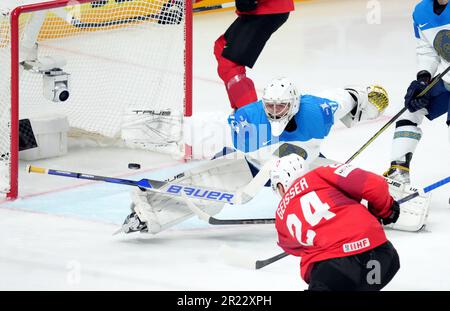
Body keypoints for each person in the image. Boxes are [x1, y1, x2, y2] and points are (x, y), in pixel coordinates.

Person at [271, 154, 400, 291]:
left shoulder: (281, 214)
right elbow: (375, 185)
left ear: (281, 185)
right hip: (383, 260)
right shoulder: (322, 173)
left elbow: (290, 246)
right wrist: (386, 211)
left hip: (336, 271)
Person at [228, 77, 390, 169]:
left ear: (294, 104)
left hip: (305, 156)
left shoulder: (316, 111)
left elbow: (346, 98)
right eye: (271, 106)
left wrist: (367, 101)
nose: (275, 112)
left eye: (281, 106)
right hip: (261, 163)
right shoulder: (248, 118)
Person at [383, 0, 450, 184]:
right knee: (411, 109)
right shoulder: (421, 12)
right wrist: (423, 79)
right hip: (447, 80)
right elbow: (427, 50)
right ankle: (399, 172)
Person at [214, 0, 295, 109]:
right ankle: (241, 111)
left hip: (268, 9)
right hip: (261, 10)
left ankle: (253, 119)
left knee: (229, 63)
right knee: (221, 47)